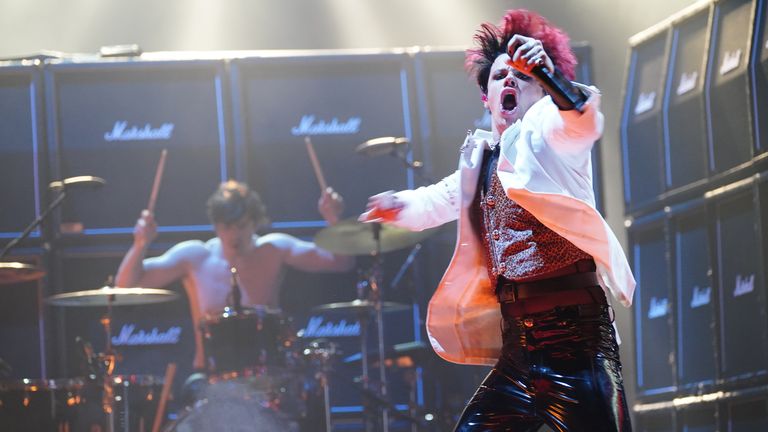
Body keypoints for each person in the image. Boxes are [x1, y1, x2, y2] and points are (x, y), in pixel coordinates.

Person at [360, 9, 635, 431]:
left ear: (540, 92)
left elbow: (581, 120)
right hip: (518, 353)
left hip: (577, 345)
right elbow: (438, 200)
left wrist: (546, 74)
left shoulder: (547, 137)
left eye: (523, 77)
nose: (511, 81)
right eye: (500, 76)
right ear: (485, 97)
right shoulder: (481, 159)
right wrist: (398, 204)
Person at [116, 180, 354, 370]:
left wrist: (333, 219)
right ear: (215, 226)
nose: (234, 234)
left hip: (267, 375)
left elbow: (341, 263)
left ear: (255, 222)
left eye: (241, 225)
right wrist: (140, 243)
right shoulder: (195, 256)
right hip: (209, 377)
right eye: (226, 227)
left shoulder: (274, 249)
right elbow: (125, 286)